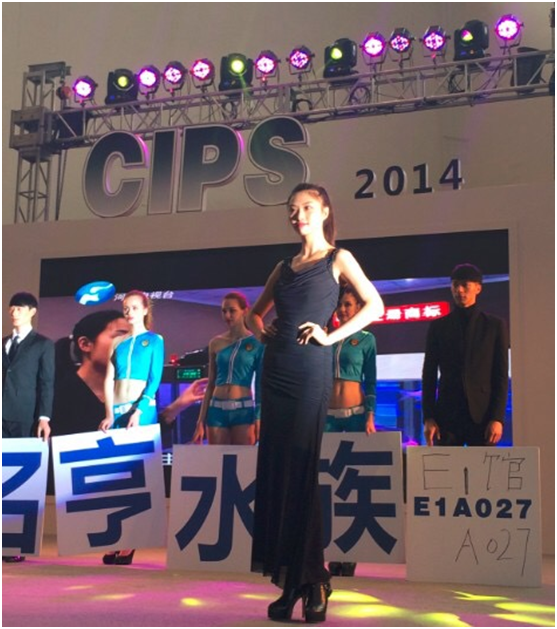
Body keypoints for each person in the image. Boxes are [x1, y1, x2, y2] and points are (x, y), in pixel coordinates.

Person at [247, 183, 384, 623]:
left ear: (324, 211)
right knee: (279, 473)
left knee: (301, 472)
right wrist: (261, 332)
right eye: (292, 209)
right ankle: (296, 582)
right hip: (276, 370)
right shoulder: (283, 267)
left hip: (310, 371)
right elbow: (253, 313)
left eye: (306, 207)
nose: (298, 214)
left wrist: (330, 335)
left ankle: (313, 580)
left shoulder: (337, 259)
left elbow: (375, 306)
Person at [99, 290, 165, 566]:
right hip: (117, 410)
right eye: (126, 307)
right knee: (118, 477)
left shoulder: (155, 340)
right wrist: (108, 412)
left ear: (145, 310)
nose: (129, 312)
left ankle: (131, 541)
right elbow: (108, 378)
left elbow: (155, 378)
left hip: (141, 411)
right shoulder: (117, 342)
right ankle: (117, 537)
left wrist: (139, 410)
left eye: (134, 307)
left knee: (137, 476)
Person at [422, 263, 509, 447]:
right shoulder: (438, 326)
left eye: (465, 285)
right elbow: (429, 374)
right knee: (445, 465)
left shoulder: (494, 326)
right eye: (455, 285)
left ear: (478, 288)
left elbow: (500, 376)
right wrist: (428, 417)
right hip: (446, 416)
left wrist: (497, 418)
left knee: (483, 466)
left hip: (483, 416)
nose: (459, 290)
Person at [324, 285, 377, 579]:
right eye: (339, 305)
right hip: (328, 419)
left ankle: (351, 552)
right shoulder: (326, 338)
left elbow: (372, 379)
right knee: (330, 485)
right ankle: (333, 549)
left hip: (356, 416)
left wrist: (370, 414)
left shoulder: (367, 339)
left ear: (357, 307)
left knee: (353, 483)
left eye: (347, 304)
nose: (343, 310)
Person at [2, 292, 55, 563]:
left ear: (32, 311)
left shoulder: (43, 344)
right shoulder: (3, 342)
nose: (14, 313)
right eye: (12, 308)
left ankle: (16, 543)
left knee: (20, 477)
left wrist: (44, 417)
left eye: (20, 309)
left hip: (25, 417)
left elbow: (46, 383)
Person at [192, 292, 264, 446]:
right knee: (216, 459)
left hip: (243, 410)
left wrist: (259, 417)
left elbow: (260, 385)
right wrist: (200, 420)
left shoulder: (257, 343)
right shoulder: (216, 343)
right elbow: (210, 384)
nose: (227, 315)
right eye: (224, 311)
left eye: (232, 311)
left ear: (245, 311)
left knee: (244, 459)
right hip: (216, 410)